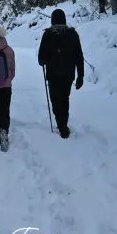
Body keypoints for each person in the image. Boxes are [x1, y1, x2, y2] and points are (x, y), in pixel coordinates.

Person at [37, 8, 83, 139]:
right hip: (68, 74)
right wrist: (81, 76)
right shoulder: (73, 34)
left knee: (56, 99)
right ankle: (64, 124)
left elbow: (41, 59)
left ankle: (60, 123)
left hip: (53, 74)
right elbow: (79, 56)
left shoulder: (48, 35)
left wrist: (43, 60)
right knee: (65, 98)